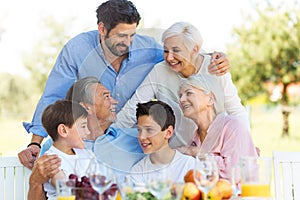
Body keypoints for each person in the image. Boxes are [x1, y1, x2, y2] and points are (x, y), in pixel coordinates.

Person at [18, 0, 230, 169]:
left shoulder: (147, 49)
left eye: (132, 35)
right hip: (89, 137)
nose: (128, 42)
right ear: (102, 29)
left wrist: (211, 57)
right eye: (121, 35)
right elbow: (53, 96)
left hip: (129, 140)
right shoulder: (77, 49)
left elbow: (180, 55)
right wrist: (35, 142)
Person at [115, 21, 246, 148]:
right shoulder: (159, 71)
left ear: (194, 49)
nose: (169, 58)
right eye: (166, 51)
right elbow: (132, 109)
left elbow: (235, 111)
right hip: (177, 155)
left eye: (176, 50)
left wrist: (246, 143)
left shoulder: (214, 68)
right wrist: (107, 137)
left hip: (214, 152)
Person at [28, 77, 145, 199]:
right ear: (85, 107)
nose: (115, 102)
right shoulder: (54, 149)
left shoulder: (136, 137)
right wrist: (34, 182)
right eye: (106, 97)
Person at [178, 75, 258, 181]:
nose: (182, 99)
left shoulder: (233, 127)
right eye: (180, 95)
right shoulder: (194, 138)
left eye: (189, 93)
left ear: (210, 99)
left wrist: (198, 153)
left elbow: (232, 175)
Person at [130, 100, 195, 184]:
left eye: (149, 130)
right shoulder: (138, 171)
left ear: (168, 133)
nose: (141, 137)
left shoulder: (190, 165)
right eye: (139, 130)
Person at [41, 100, 94, 199]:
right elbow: (67, 189)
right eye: (83, 126)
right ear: (63, 130)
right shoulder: (50, 161)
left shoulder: (87, 154)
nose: (88, 131)